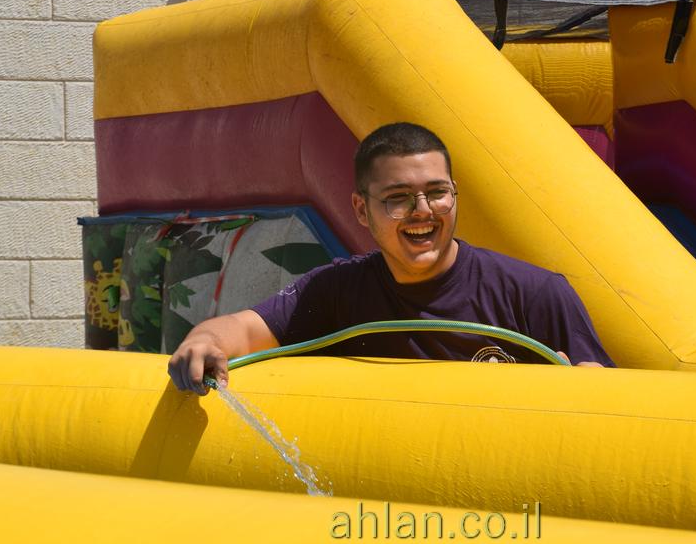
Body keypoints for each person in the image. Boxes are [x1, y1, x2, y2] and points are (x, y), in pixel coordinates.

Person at [168, 123, 613, 394]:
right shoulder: (336, 292)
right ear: (361, 210)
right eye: (398, 198)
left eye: (438, 193)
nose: (423, 211)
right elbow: (245, 329)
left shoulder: (535, 293)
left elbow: (608, 398)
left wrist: (590, 387)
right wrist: (203, 340)